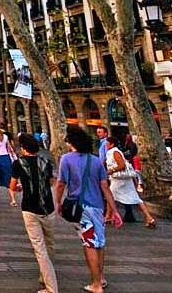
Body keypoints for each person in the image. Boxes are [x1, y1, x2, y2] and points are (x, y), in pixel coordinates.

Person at [55, 126, 123, 293]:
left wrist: (57, 202)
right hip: (98, 207)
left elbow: (61, 183)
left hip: (81, 207)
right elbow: (105, 187)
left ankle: (96, 284)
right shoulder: (96, 161)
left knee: (89, 244)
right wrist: (114, 210)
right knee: (99, 242)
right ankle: (101, 277)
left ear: (71, 142)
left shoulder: (66, 159)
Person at [10, 133, 58, 293]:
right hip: (48, 207)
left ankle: (51, 288)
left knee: (39, 247)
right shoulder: (46, 161)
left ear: (23, 148)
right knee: (49, 243)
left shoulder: (18, 163)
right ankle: (44, 275)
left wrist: (21, 187)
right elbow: (51, 182)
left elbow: (12, 186)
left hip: (30, 208)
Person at [105, 136, 156, 228]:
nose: (106, 145)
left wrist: (111, 170)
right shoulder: (113, 152)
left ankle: (108, 216)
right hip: (124, 179)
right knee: (135, 197)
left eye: (107, 144)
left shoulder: (115, 152)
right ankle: (149, 217)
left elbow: (122, 165)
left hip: (119, 179)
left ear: (112, 144)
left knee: (110, 195)